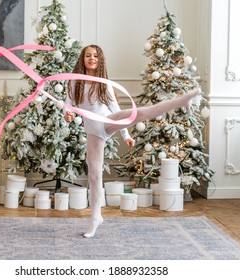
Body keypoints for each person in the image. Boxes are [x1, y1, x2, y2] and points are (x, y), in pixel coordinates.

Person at [64, 44, 199, 238]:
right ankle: (96, 217)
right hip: (93, 132)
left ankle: (180, 101)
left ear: (100, 60)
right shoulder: (74, 82)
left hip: (108, 121)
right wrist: (67, 114)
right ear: (82, 59)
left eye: (95, 56)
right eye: (88, 55)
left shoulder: (104, 83)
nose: (92, 58)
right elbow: (67, 105)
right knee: (94, 175)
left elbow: (115, 107)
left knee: (138, 113)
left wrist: (126, 136)